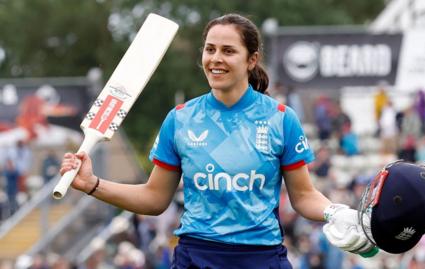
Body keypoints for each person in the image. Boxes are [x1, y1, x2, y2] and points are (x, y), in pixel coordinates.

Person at [60, 13, 375, 268]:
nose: (215, 59)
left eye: (228, 50)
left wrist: (335, 212)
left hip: (261, 258)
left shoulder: (281, 118)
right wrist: (93, 185)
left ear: (252, 59)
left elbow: (304, 196)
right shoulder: (180, 119)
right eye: (210, 49)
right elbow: (154, 199)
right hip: (197, 257)